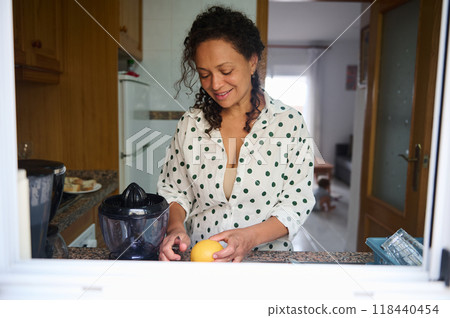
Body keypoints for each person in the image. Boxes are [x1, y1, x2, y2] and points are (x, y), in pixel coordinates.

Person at [157, 6, 315, 262]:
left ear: (252, 61)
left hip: (266, 264)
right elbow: (175, 191)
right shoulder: (191, 124)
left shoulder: (289, 123)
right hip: (202, 263)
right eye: (204, 74)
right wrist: (176, 228)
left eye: (226, 71)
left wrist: (249, 238)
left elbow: (297, 202)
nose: (215, 84)